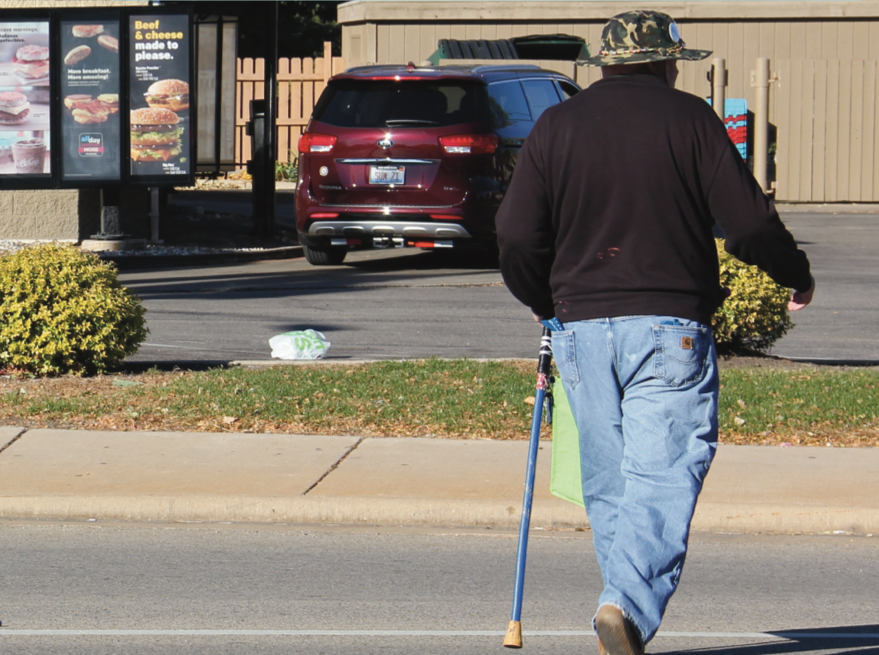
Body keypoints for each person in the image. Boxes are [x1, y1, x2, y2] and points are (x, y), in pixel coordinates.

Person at [495, 10, 814, 655]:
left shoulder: (557, 124)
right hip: (670, 327)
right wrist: (795, 273)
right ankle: (624, 608)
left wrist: (543, 299)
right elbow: (749, 225)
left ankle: (622, 614)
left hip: (581, 329)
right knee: (663, 474)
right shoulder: (691, 119)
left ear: (607, 65)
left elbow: (515, 233)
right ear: (668, 63)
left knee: (611, 483)